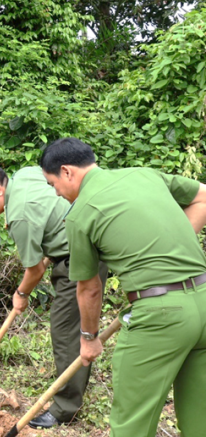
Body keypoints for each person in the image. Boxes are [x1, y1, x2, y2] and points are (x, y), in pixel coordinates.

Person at [39, 137, 206, 437]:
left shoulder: (80, 213)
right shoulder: (144, 174)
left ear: (66, 172)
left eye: (52, 184)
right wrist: (169, 248)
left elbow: (89, 289)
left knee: (132, 423)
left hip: (162, 317)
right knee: (201, 418)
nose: (57, 193)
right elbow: (203, 196)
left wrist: (89, 338)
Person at [0, 164, 108, 428]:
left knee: (65, 331)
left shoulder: (19, 215)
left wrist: (21, 294)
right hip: (77, 245)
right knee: (69, 328)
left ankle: (66, 408)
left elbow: (35, 270)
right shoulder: (26, 174)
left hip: (80, 256)